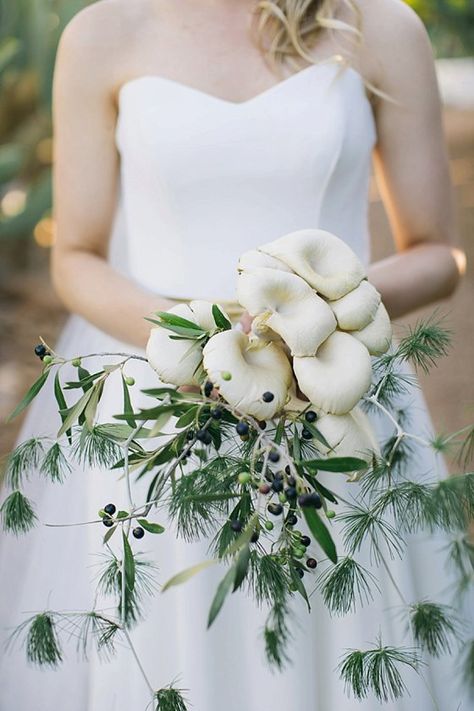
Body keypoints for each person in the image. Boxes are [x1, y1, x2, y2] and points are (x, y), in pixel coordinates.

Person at [0, 1, 468, 709]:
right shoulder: (103, 31)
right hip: (154, 408)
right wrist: (197, 337)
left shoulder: (381, 26)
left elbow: (439, 252)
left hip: (337, 405)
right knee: (168, 649)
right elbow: (75, 255)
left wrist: (314, 317)